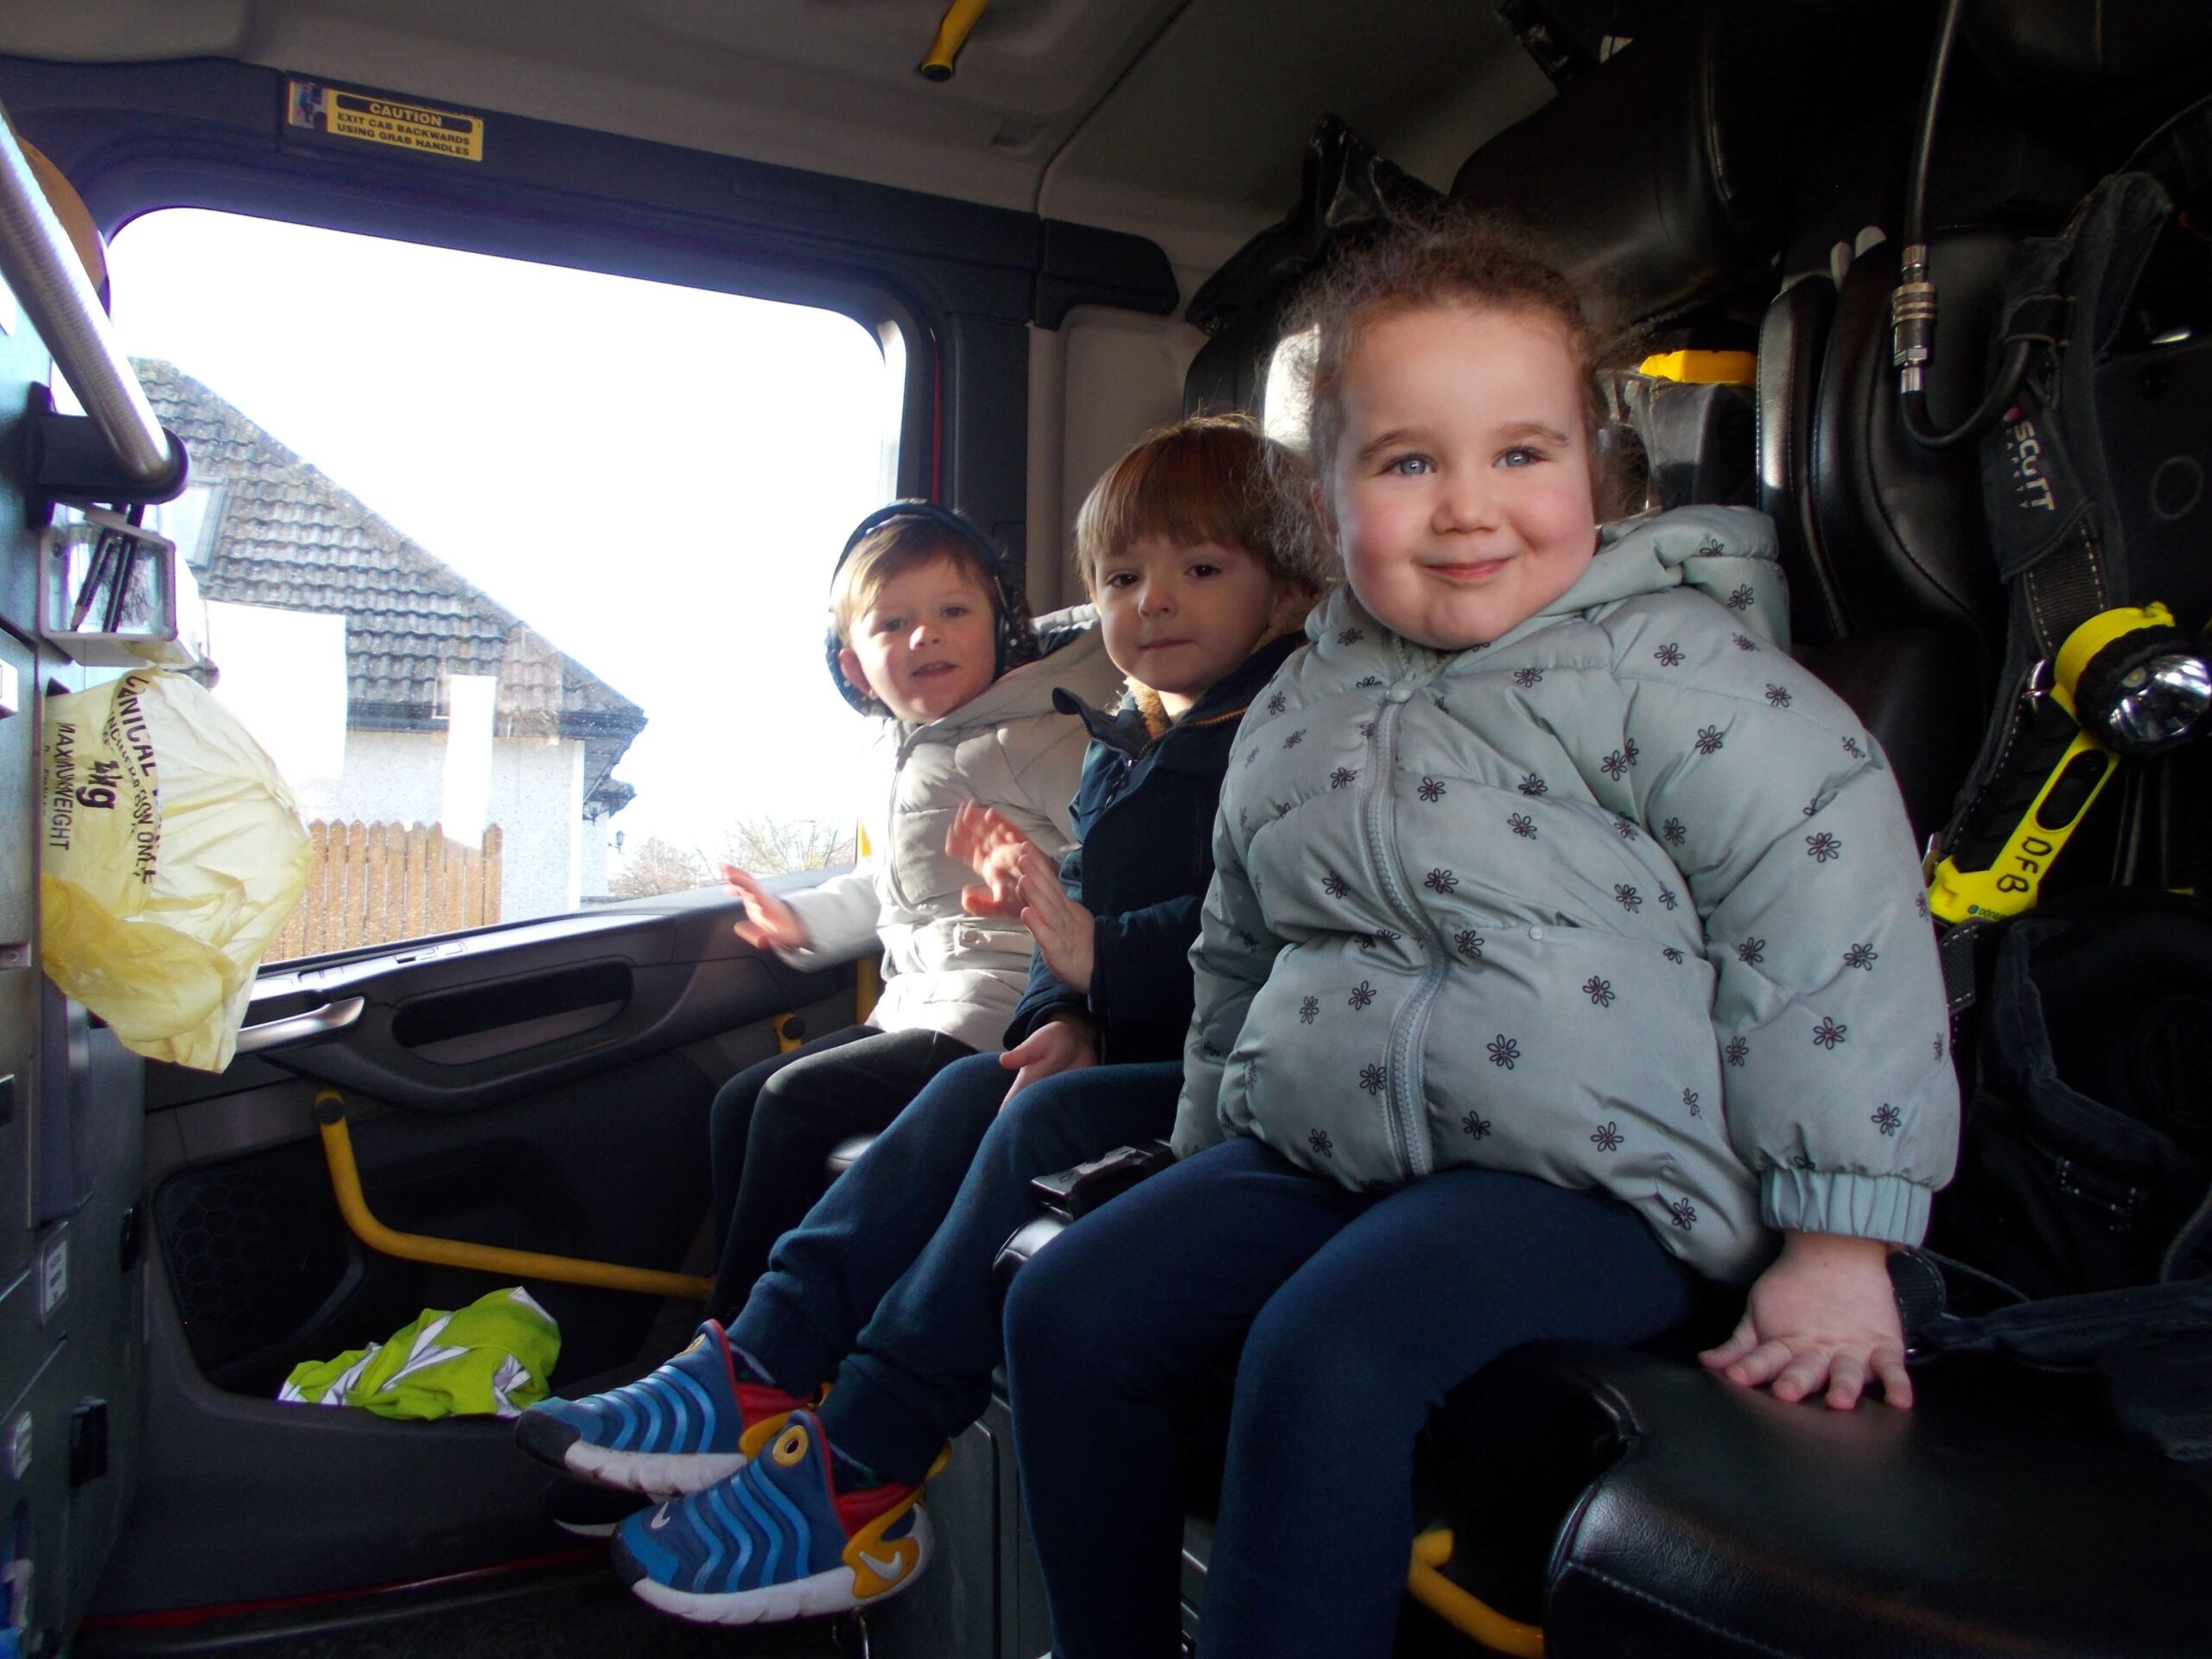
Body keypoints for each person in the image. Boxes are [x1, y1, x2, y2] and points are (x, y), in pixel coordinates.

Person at [1002, 212, 1962, 1659]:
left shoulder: (1680, 670)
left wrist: (1840, 1243)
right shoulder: (1300, 703)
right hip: (1328, 1148)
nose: (1468, 507)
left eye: (1522, 453)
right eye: (1408, 463)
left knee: (1329, 1347)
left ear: (1596, 466)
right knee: (1071, 1303)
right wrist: (1204, 1148)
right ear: (1326, 503)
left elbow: (1835, 938)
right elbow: (1240, 954)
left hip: (1600, 1176)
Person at [516, 417, 1321, 1626]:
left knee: (980, 1113)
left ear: (1290, 589)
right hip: (1131, 1038)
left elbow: (1256, 923)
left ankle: (855, 1455)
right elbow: (1078, 901)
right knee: (960, 1094)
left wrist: (1094, 963)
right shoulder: (1133, 739)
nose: (1153, 602)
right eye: (1120, 578)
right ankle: (757, 1368)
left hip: (1227, 1064)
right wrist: (1068, 1006)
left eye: (1200, 569)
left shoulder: (1284, 734)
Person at [695, 502, 1120, 1311]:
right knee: (737, 1101)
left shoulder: (1039, 735)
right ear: (854, 668)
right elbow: (890, 889)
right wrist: (802, 924)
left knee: (789, 1103)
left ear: (1003, 630)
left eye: (953, 612)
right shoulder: (899, 754)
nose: (926, 635)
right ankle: (736, 1318)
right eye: (893, 624)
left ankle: (740, 1341)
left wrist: (1033, 880)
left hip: (996, 1016)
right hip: (914, 1010)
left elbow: (1112, 867)